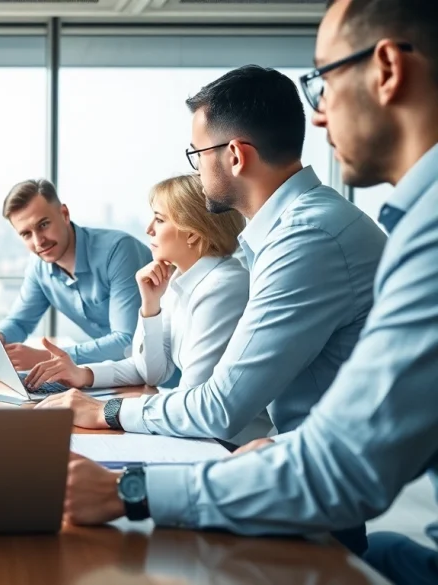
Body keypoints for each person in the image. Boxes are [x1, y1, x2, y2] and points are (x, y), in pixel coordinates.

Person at [55, 2, 438, 581]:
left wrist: (129, 485)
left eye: (323, 82)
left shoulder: (314, 235)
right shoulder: (303, 233)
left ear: (385, 68)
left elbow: (242, 416)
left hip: (328, 506)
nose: (320, 117)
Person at [36, 67, 386, 449]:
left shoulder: (305, 239)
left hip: (318, 471)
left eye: (196, 154)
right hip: (299, 453)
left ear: (235, 156)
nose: (196, 170)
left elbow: (220, 406)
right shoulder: (295, 228)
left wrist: (106, 411)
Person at [24, 175, 271, 445]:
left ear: (192, 232)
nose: (148, 229)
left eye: (160, 219)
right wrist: (149, 306)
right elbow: (152, 372)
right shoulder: (179, 280)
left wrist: (105, 411)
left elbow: (193, 401)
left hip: (229, 445)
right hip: (197, 432)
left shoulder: (222, 287)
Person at [0, 179, 151, 371]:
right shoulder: (39, 267)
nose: (38, 242)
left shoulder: (118, 251)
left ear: (64, 214)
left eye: (43, 225)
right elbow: (19, 322)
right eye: (26, 234)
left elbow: (127, 342)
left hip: (166, 381)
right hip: (115, 375)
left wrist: (49, 358)